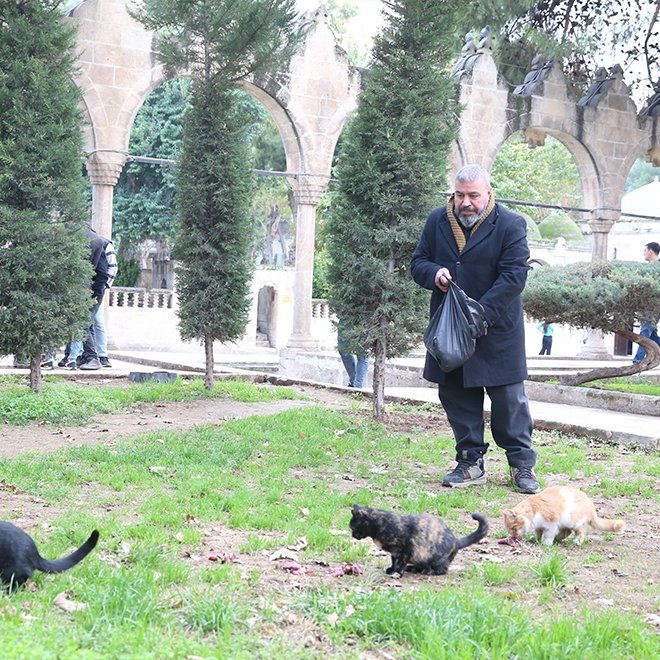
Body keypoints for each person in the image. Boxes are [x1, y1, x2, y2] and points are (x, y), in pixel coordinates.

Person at [411, 164, 539, 494]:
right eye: (459, 195)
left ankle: (521, 465)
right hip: (450, 329)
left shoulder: (510, 224)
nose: (465, 202)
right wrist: (434, 273)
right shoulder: (437, 220)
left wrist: (480, 315)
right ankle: (470, 463)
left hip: (496, 329)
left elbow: (514, 276)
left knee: (509, 402)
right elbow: (418, 262)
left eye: (473, 195)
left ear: (488, 193)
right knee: (457, 396)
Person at [78, 227, 116, 370]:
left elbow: (103, 273)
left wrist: (95, 295)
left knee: (85, 322)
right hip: (89, 290)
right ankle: (87, 357)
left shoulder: (98, 243)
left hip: (92, 291)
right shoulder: (95, 241)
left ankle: (93, 358)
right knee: (88, 323)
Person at [632, 241, 660, 364]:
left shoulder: (657, 268)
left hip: (654, 306)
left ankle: (638, 361)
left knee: (644, 332)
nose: (643, 253)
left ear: (650, 251)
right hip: (646, 307)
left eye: (645, 251)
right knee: (652, 335)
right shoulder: (647, 268)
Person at [337, 321, 369, 388]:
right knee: (343, 351)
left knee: (362, 355)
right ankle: (353, 382)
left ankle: (357, 386)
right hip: (345, 320)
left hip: (363, 321)